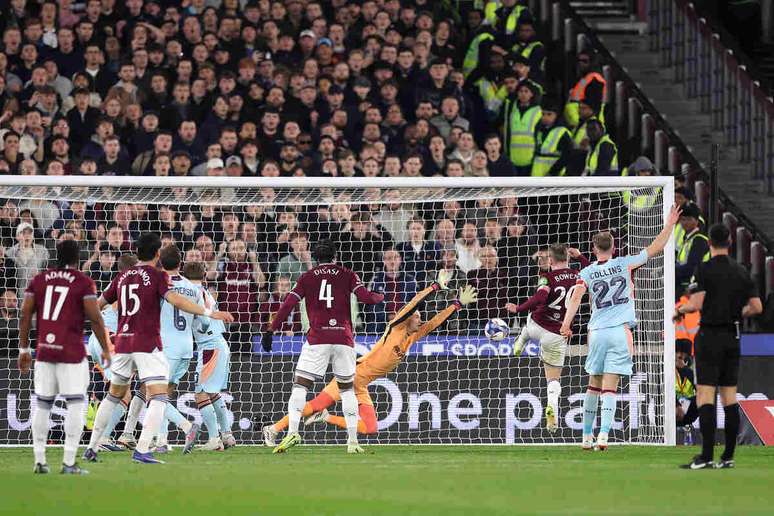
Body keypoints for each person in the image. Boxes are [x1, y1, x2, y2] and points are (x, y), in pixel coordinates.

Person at [263, 277, 478, 444]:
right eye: (417, 316)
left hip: (362, 384)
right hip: (352, 374)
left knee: (370, 427)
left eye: (420, 317)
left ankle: (326, 418)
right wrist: (434, 288)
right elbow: (413, 304)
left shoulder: (411, 337)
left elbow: (434, 323)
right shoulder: (395, 326)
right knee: (315, 403)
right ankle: (273, 429)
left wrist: (457, 304)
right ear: (407, 317)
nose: (420, 318)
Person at [83, 232, 233, 464]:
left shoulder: (122, 277)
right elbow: (176, 300)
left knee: (114, 395)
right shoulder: (156, 276)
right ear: (156, 254)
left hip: (122, 343)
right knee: (159, 396)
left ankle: (92, 447)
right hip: (147, 344)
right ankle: (145, 448)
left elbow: (97, 306)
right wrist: (208, 312)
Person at [560, 204, 681, 451]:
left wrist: (565, 324)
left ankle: (585, 437)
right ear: (613, 248)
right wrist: (669, 225)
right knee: (610, 387)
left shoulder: (587, 271)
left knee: (593, 384)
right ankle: (603, 436)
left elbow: (575, 299)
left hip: (596, 333)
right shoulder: (625, 263)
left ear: (594, 249)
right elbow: (655, 248)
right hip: (620, 332)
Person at [262, 238, 384, 454]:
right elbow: (366, 298)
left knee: (300, 386)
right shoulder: (348, 274)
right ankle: (353, 442)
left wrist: (272, 329)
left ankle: (292, 433)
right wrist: (380, 296)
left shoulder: (307, 277)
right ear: (335, 256)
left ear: (315, 258)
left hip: (317, 339)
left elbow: (288, 304)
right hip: (344, 339)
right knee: (347, 390)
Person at [18, 239, 112, 475]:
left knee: (43, 403)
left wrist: (23, 349)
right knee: (76, 404)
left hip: (44, 351)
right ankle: (69, 462)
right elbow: (95, 318)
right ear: (77, 258)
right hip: (71, 353)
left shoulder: (39, 280)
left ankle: (39, 460)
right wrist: (106, 348)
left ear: (54, 256)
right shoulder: (82, 281)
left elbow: (25, 312)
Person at [674, 223, 762, 469]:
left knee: (705, 395)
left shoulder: (705, 269)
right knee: (729, 397)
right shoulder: (741, 271)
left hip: (710, 336)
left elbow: (697, 302)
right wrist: (736, 312)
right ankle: (728, 456)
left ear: (710, 243)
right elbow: (757, 307)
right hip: (732, 337)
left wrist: (681, 309)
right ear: (730, 243)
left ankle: (706, 456)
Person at [505, 244, 590, 432]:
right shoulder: (579, 275)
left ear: (550, 260)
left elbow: (539, 298)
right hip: (557, 334)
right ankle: (552, 405)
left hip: (537, 326)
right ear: (568, 259)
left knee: (529, 320)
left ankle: (522, 338)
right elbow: (592, 268)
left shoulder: (547, 277)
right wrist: (581, 257)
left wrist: (518, 308)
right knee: (553, 379)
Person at [85, 254, 138, 452]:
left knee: (123, 391)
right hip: (108, 339)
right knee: (122, 392)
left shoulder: (115, 285)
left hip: (97, 337)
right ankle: (102, 438)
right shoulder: (131, 285)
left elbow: (95, 307)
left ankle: (102, 433)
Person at [156, 245, 204, 454]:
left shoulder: (159, 285)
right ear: (180, 262)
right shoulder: (193, 288)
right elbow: (201, 322)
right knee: (165, 394)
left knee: (154, 395)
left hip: (167, 346)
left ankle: (187, 426)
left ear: (160, 262)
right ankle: (161, 440)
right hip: (187, 347)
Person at [186, 261, 236, 452]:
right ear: (204, 276)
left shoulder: (192, 294)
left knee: (200, 393)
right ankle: (227, 435)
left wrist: (200, 326)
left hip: (210, 346)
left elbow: (205, 321)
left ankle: (214, 440)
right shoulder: (204, 291)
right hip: (219, 345)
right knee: (212, 392)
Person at [675, 203, 709, 296]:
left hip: (693, 288)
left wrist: (670, 270)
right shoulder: (687, 238)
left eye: (689, 219)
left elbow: (692, 268)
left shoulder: (699, 240)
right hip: (683, 283)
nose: (685, 222)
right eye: (683, 219)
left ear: (697, 220)